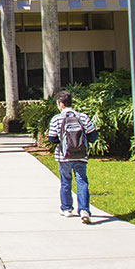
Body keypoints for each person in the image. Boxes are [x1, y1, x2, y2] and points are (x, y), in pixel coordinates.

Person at [47, 90, 99, 224]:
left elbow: (52, 138)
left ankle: (67, 208)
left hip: (63, 156)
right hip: (81, 155)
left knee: (65, 181)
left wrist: (63, 143)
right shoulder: (83, 117)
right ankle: (84, 210)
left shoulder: (57, 119)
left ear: (60, 104)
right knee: (81, 181)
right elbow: (93, 136)